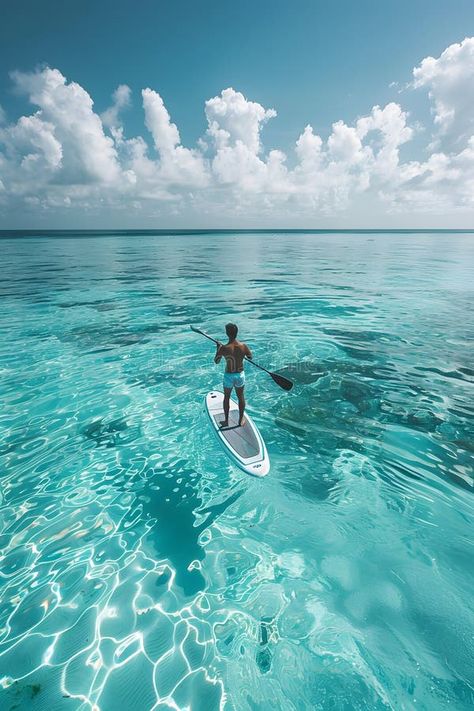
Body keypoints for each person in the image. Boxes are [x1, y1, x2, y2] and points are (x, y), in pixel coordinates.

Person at [214, 323, 252, 428]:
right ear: (236, 333)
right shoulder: (243, 346)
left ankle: (226, 421)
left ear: (227, 333)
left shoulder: (224, 348)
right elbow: (250, 357)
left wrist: (218, 349)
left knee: (227, 397)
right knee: (241, 396)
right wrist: (242, 354)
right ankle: (240, 420)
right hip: (240, 375)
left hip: (228, 376)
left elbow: (216, 361)